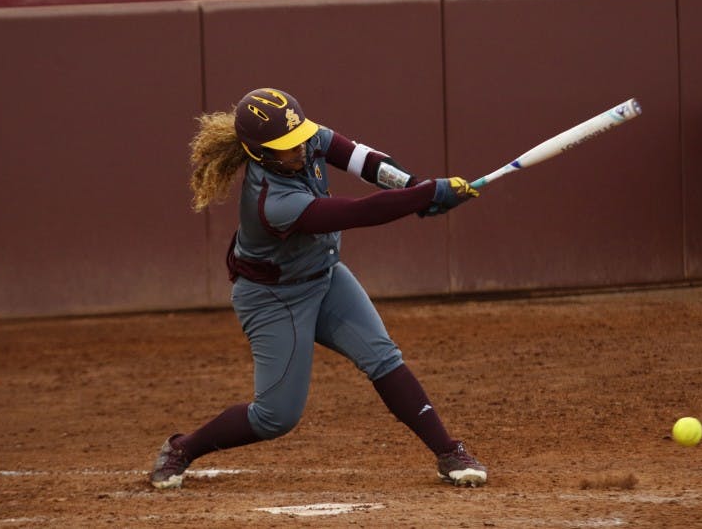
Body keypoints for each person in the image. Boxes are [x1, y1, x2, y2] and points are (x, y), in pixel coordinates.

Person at [149, 88, 488, 490]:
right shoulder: (272, 201)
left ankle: (448, 451)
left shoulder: (305, 138)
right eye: (287, 148)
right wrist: (428, 194)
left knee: (383, 357)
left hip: (325, 276)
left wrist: (414, 187)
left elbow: (365, 160)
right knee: (276, 417)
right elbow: (357, 213)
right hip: (274, 298)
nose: (300, 150)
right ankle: (184, 447)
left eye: (300, 139)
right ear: (261, 154)